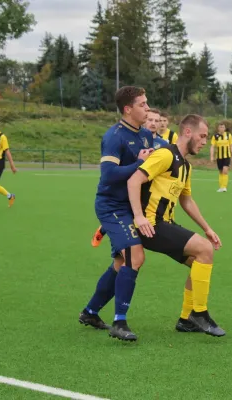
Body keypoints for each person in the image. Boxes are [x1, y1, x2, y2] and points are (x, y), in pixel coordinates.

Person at [127, 114, 225, 337]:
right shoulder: (165, 155)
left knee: (198, 261)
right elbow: (134, 181)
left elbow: (186, 200)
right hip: (151, 225)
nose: (204, 141)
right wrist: (139, 217)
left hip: (165, 224)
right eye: (202, 136)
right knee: (205, 250)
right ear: (187, 132)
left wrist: (207, 228)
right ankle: (199, 314)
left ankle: (185, 319)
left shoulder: (185, 166)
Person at [79, 86, 153, 342]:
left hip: (130, 207)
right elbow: (109, 175)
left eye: (147, 103)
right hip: (112, 206)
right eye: (142, 104)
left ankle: (90, 312)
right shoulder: (114, 137)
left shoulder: (145, 135)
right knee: (136, 255)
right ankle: (119, 322)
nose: (147, 108)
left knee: (121, 263)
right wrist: (140, 163)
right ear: (128, 109)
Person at [90, 108, 166, 248]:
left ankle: (106, 229)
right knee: (127, 254)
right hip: (120, 196)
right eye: (150, 119)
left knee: (128, 254)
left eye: (157, 120)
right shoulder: (129, 136)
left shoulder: (163, 144)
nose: (153, 123)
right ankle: (105, 228)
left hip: (143, 191)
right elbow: (112, 172)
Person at [210, 123, 232, 192]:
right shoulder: (215, 136)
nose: (222, 128)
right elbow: (212, 147)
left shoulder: (228, 135)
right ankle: (221, 187)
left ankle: (224, 187)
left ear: (225, 128)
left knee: (225, 170)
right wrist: (212, 156)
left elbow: (231, 146)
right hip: (219, 157)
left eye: (223, 127)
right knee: (221, 171)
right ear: (218, 128)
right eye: (220, 127)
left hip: (227, 156)